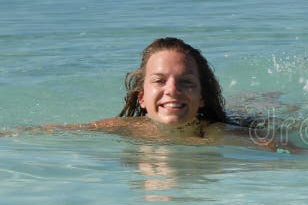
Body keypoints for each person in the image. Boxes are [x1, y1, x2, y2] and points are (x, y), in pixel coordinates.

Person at [15, 37, 284, 151]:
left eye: (186, 82)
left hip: (241, 122)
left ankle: (263, 100)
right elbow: (58, 130)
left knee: (259, 115)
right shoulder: (128, 128)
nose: (172, 91)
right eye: (159, 81)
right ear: (141, 97)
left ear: (202, 96)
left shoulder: (217, 134)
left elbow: (285, 148)